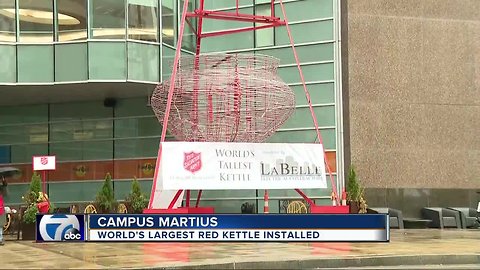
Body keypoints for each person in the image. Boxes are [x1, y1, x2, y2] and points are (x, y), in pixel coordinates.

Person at [0, 177, 7, 245]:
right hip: (1, 209)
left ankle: (0, 239)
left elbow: (5, 190)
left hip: (0, 209)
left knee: (0, 226)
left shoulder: (1, 189)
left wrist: (4, 181)